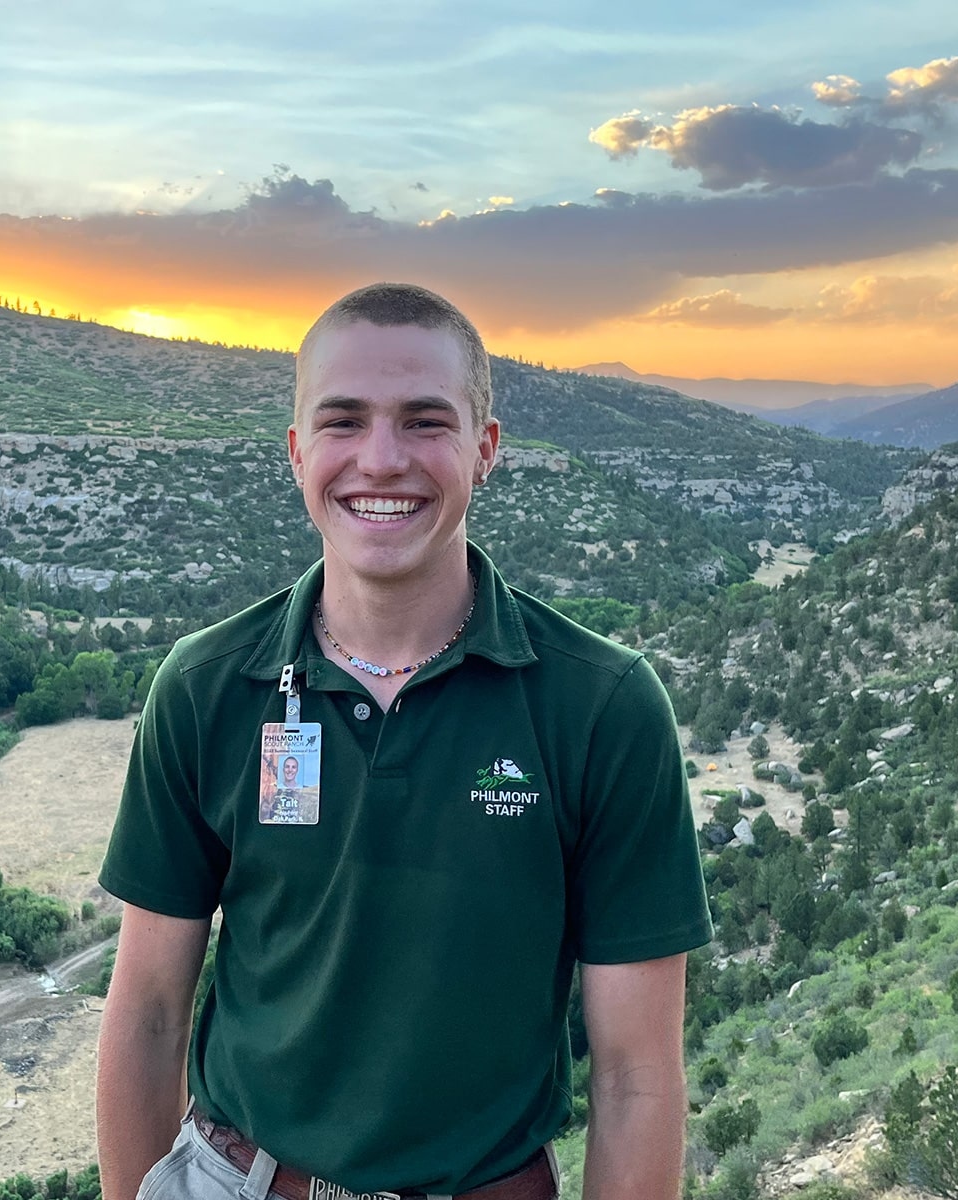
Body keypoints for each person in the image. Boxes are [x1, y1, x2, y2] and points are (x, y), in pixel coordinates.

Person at [96, 282, 711, 1200]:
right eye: (343, 421)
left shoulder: (603, 706)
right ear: (298, 450)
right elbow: (147, 1014)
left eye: (426, 421)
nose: (380, 460)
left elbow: (636, 1074)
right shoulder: (205, 685)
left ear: (485, 449)